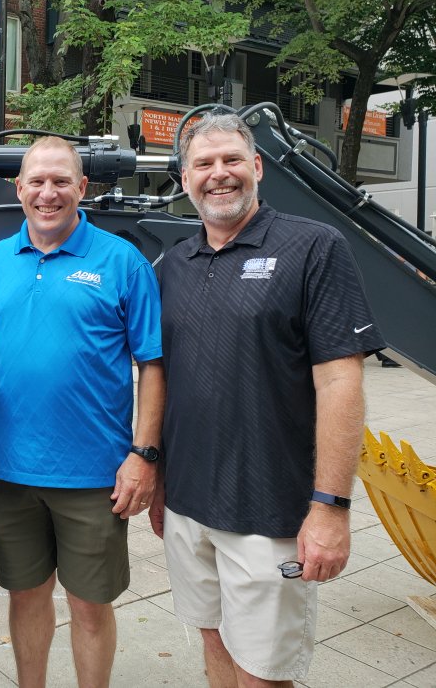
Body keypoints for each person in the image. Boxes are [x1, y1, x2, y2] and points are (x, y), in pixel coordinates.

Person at [153, 113, 384, 686]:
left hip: (269, 511)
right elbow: (162, 377)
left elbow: (340, 384)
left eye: (232, 160)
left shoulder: (313, 247)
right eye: (203, 164)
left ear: (256, 167)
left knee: (263, 671)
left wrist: (331, 508)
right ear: (185, 179)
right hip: (187, 503)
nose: (219, 174)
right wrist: (158, 476)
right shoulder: (175, 265)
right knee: (212, 639)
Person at [0, 136, 165, 688]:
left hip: (95, 476)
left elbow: (153, 364)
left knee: (89, 605)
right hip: (11, 471)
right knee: (26, 596)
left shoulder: (122, 262)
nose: (47, 193)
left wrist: (143, 455)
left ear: (82, 187)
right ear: (19, 189)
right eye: (36, 181)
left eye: (60, 181)